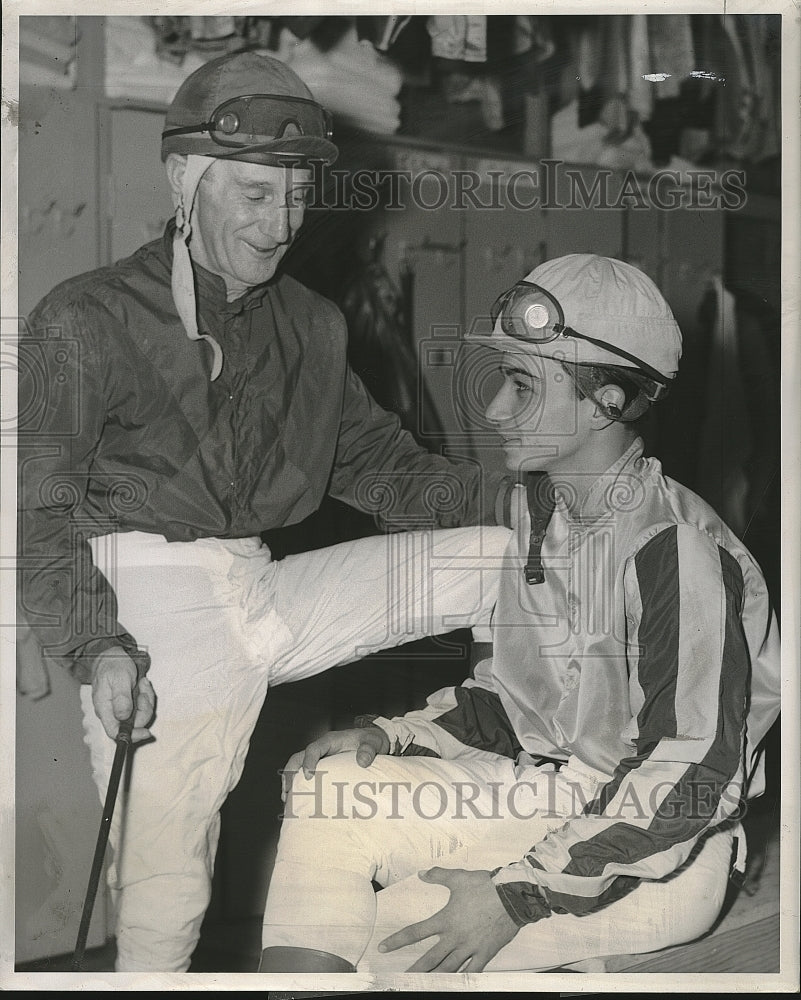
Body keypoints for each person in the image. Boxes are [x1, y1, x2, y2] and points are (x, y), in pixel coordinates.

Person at [16, 51, 514, 972]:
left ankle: (541, 777)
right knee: (167, 900)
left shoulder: (313, 325)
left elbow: (382, 468)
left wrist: (548, 502)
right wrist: (98, 649)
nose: (280, 222)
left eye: (294, 197)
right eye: (253, 196)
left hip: (267, 588)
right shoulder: (84, 317)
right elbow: (41, 513)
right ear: (186, 182)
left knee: (501, 554)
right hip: (153, 610)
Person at [262, 253, 782, 975]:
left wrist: (514, 897)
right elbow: (517, 707)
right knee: (329, 792)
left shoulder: (675, 549)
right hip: (550, 796)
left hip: (659, 856)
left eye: (520, 386)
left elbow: (692, 772)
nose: (495, 410)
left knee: (384, 939)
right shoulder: (543, 515)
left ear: (605, 400)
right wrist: (391, 737)